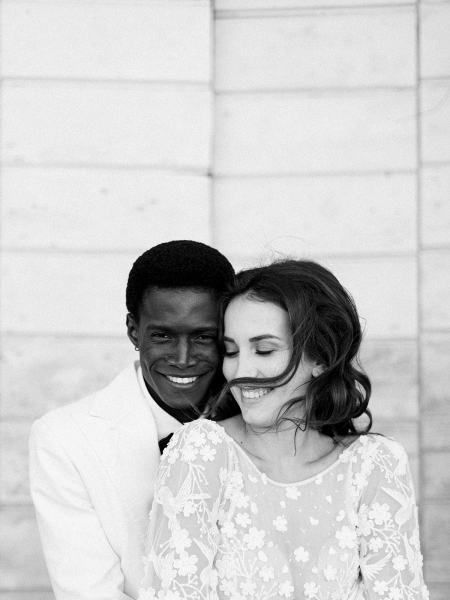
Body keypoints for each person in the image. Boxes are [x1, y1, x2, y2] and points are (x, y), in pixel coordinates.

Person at [139, 259, 429, 600]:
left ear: (320, 357)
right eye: (231, 351)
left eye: (264, 350)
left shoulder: (374, 464)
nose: (241, 370)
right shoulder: (203, 451)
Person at [29, 240, 235, 600]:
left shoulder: (268, 420)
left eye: (204, 336)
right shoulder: (63, 439)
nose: (183, 358)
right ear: (133, 331)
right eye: (163, 336)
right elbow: (89, 593)